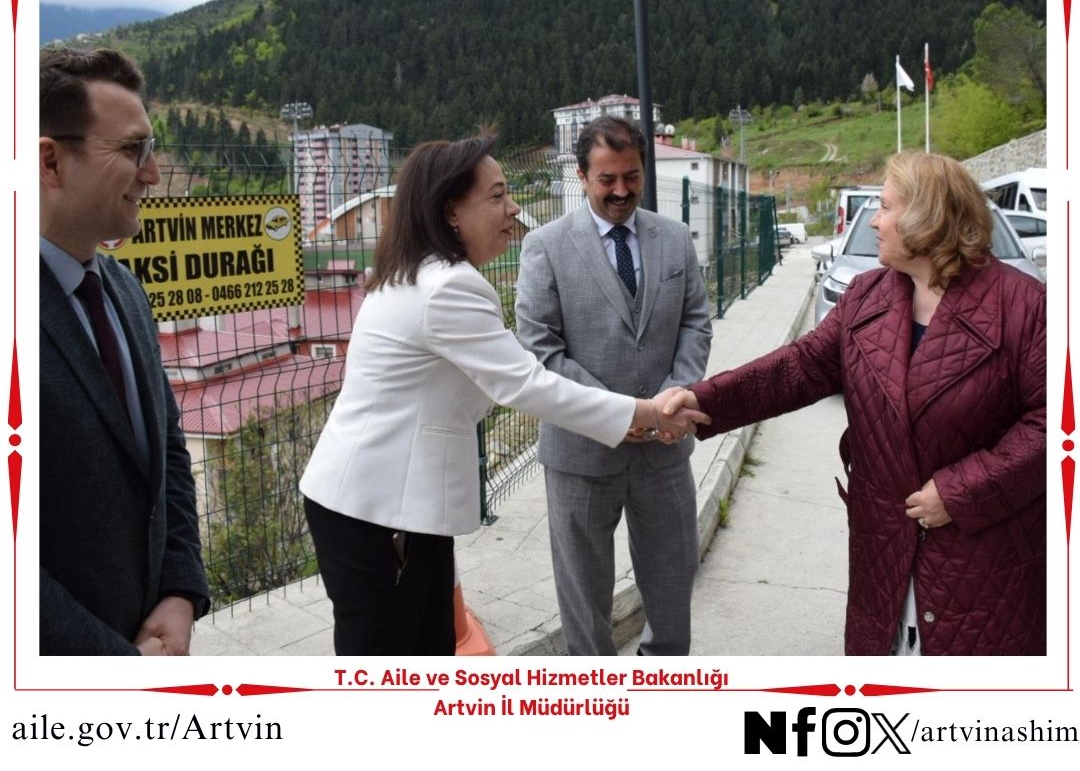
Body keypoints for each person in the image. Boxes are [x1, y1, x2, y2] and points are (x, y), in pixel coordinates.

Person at [299, 134, 706, 655]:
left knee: (424, 650)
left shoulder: (423, 274)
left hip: (391, 507)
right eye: (496, 196)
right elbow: (526, 382)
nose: (513, 208)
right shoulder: (448, 288)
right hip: (377, 511)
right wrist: (645, 413)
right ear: (451, 211)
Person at [665, 151, 1045, 655]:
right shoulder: (868, 296)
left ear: (927, 218)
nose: (873, 221)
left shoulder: (1025, 306)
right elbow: (799, 368)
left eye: (885, 207)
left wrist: (961, 492)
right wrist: (702, 399)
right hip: (882, 548)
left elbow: (1054, 424)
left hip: (986, 563)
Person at [515, 115, 713, 655]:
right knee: (584, 606)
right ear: (581, 176)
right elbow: (541, 349)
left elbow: (696, 323)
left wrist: (674, 396)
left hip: (666, 450)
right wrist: (619, 413)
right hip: (581, 454)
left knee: (673, 588)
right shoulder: (545, 246)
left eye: (632, 176)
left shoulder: (674, 239)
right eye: (607, 179)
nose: (621, 190)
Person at [39, 48, 209, 655]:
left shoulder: (125, 290)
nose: (153, 173)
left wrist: (181, 590)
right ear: (50, 161)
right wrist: (116, 664)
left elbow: (168, 451)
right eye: (133, 149)